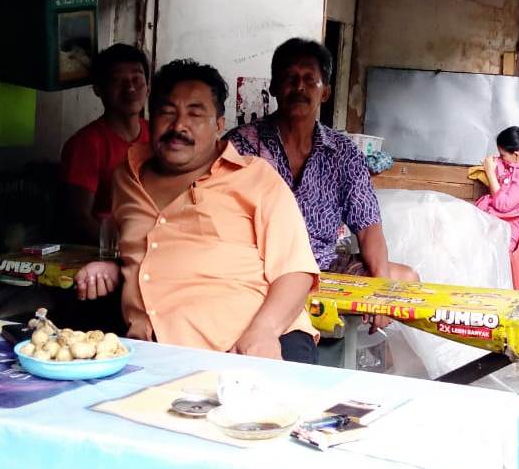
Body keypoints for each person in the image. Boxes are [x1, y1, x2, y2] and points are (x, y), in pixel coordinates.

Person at [73, 59, 321, 363]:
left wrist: (263, 331)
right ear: (151, 116)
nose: (179, 126)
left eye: (195, 113)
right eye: (167, 112)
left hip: (249, 347)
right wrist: (117, 268)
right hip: (149, 352)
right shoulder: (126, 176)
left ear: (219, 125)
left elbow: (295, 271)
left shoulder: (257, 179)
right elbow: (150, 247)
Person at [225, 39, 417, 327]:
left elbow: (369, 229)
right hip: (257, 268)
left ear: (325, 92)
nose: (299, 87)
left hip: (322, 267)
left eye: (309, 80)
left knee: (404, 281)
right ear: (274, 87)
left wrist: (382, 292)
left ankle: (363, 363)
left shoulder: (343, 152)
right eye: (290, 78)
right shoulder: (241, 145)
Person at [60, 43, 150, 244]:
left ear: (149, 87)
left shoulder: (158, 135)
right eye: (118, 81)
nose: (130, 88)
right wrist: (122, 251)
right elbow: (79, 218)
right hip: (107, 253)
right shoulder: (86, 144)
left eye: (137, 78)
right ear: (98, 89)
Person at [475, 126, 519, 253]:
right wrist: (493, 162)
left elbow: (503, 205)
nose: (501, 158)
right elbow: (503, 169)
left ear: (516, 154)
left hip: (503, 230)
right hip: (492, 221)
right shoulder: (518, 164)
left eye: (502, 155)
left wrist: (490, 173)